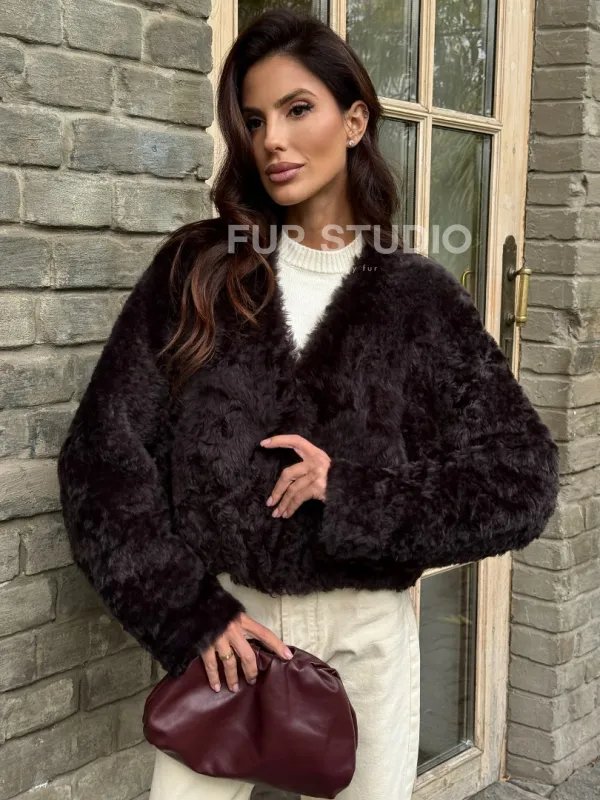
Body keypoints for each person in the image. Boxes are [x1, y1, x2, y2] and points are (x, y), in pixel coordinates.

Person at [56, 9, 560, 800]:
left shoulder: (418, 299)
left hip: (368, 635)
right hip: (227, 629)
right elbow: (100, 457)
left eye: (298, 109)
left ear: (354, 121)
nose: (273, 141)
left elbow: (521, 479)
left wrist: (351, 492)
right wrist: (187, 616)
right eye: (255, 120)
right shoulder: (198, 271)